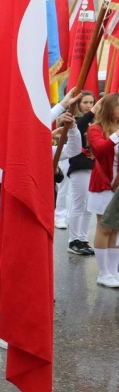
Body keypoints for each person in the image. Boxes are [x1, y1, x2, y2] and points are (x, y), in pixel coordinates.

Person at [86, 93, 119, 287]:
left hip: (117, 186)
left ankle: (114, 272)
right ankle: (103, 273)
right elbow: (100, 149)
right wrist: (116, 135)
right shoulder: (95, 128)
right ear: (109, 108)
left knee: (116, 228)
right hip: (104, 185)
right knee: (104, 227)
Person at [62, 90, 96, 257]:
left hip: (94, 166)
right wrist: (93, 112)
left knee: (89, 206)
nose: (89, 106)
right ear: (78, 105)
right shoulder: (73, 121)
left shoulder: (96, 122)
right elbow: (80, 127)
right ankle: (73, 240)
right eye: (85, 103)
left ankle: (83, 239)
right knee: (79, 203)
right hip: (79, 165)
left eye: (91, 103)